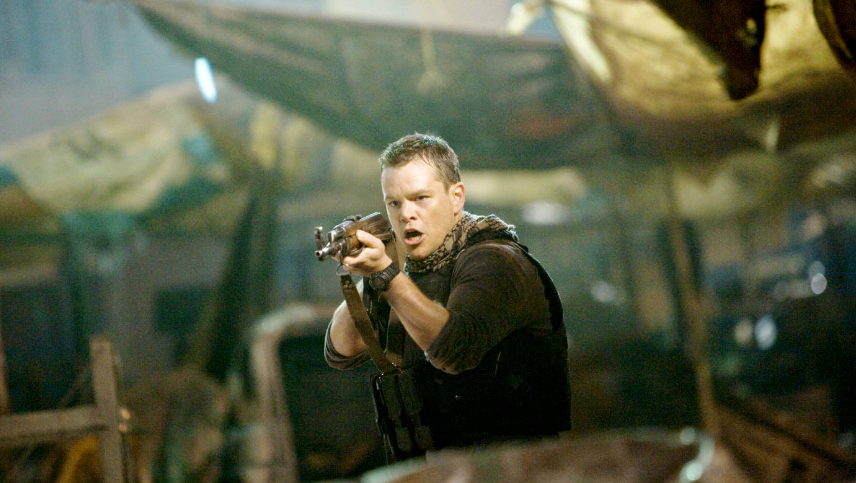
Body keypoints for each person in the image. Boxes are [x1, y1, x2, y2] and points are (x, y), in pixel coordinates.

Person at [324, 132, 571, 459]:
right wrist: (371, 276)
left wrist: (386, 274)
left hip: (514, 466)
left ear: (456, 198)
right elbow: (340, 352)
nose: (406, 214)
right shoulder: (408, 271)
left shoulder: (495, 261)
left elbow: (454, 350)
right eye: (394, 203)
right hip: (444, 468)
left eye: (420, 198)